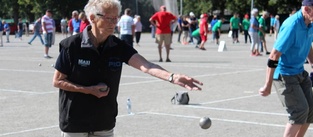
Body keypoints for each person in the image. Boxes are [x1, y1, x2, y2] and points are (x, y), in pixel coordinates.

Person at [52, 1, 203, 137]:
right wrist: (88, 90)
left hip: (104, 121)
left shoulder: (118, 46)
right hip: (75, 121)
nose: (113, 23)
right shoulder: (71, 45)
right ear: (92, 18)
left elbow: (147, 66)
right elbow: (58, 81)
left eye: (115, 18)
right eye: (108, 18)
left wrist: (172, 77)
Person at [259, 0, 313, 136]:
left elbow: (308, 43)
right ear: (307, 9)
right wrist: (267, 85)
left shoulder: (311, 24)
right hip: (284, 74)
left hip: (299, 72)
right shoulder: (291, 26)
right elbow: (274, 55)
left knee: (310, 110)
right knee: (299, 111)